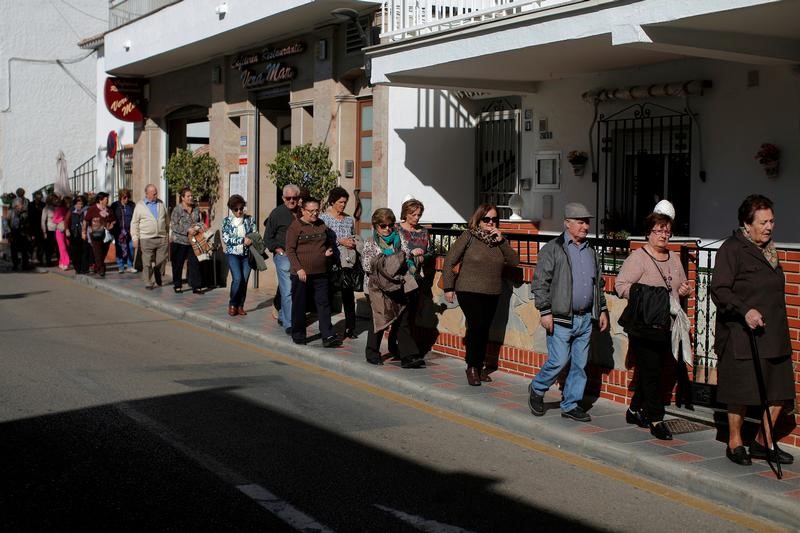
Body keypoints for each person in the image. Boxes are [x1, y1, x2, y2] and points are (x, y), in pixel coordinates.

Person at [711, 194, 795, 466]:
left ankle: (762, 441)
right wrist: (745, 309)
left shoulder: (770, 250)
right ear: (746, 224)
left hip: (774, 333)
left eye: (772, 221)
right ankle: (735, 442)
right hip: (741, 334)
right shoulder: (732, 249)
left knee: (781, 391)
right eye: (763, 222)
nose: (769, 227)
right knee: (740, 392)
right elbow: (720, 289)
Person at [615, 203, 692, 440]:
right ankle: (656, 419)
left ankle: (633, 410)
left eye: (667, 231)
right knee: (653, 372)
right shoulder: (638, 257)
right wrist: (646, 295)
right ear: (649, 232)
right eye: (659, 230)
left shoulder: (674, 258)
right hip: (644, 325)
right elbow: (621, 286)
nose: (663, 235)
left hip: (667, 326)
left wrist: (684, 289)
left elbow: (679, 286)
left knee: (651, 370)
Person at [527, 202, 609, 422]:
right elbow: (540, 283)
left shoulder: (590, 251)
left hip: (584, 318)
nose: (585, 227)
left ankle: (570, 404)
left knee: (580, 365)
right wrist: (545, 311)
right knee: (558, 361)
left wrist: (601, 309)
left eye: (587, 222)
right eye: (581, 222)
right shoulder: (553, 249)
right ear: (568, 224)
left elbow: (597, 284)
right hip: (560, 318)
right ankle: (537, 388)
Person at [442, 204, 519, 385]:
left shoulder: (499, 240)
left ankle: (478, 365)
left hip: (492, 291)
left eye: (494, 219)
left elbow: (515, 262)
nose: (490, 223)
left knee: (484, 330)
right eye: (487, 219)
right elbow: (449, 260)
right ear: (479, 219)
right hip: (468, 290)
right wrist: (448, 288)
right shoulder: (468, 236)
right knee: (476, 327)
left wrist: (502, 241)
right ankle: (472, 367)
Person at [361, 208, 424, 368]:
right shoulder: (370, 242)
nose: (387, 228)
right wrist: (388, 260)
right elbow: (367, 265)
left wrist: (409, 258)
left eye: (390, 225)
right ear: (376, 226)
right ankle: (372, 352)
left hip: (398, 285)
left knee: (403, 319)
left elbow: (406, 255)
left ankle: (408, 356)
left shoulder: (399, 237)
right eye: (383, 225)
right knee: (379, 321)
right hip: (377, 288)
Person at [285, 197, 341, 347]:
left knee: (323, 304)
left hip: (321, 272)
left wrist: (329, 250)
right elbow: (290, 251)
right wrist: (299, 269)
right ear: (303, 210)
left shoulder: (321, 225)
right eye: (311, 211)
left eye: (317, 210)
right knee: (300, 304)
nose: (315, 214)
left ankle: (328, 335)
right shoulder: (295, 227)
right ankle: (298, 335)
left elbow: (328, 242)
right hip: (301, 274)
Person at [392, 198, 435, 357]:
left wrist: (424, 256)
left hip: (418, 277)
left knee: (411, 313)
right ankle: (400, 346)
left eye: (419, 214)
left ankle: (403, 346)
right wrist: (410, 253)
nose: (416, 218)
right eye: (413, 214)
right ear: (405, 213)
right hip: (401, 276)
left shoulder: (423, 232)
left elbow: (431, 252)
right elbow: (393, 251)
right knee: (401, 313)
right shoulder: (397, 230)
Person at [320, 187, 359, 338]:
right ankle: (327, 328)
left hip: (347, 262)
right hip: (331, 261)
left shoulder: (349, 219)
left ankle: (351, 328)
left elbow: (353, 235)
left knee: (348, 294)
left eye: (345, 202)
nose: (343, 205)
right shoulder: (324, 218)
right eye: (340, 202)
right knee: (328, 295)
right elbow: (322, 239)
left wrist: (352, 242)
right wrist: (339, 241)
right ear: (332, 201)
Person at [265, 184, 301, 334]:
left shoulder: (303, 212)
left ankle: (282, 314)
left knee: (296, 289)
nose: (291, 200)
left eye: (295, 198)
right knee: (287, 290)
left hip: (300, 257)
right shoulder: (277, 213)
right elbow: (267, 238)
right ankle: (289, 324)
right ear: (283, 198)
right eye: (288, 198)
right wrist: (278, 250)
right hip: (284, 257)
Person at [222, 195, 256, 316]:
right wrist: (242, 240)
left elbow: (255, 234)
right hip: (233, 255)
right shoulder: (227, 221)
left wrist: (251, 239)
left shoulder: (250, 219)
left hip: (247, 255)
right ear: (231, 209)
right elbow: (226, 239)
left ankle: (240, 305)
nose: (239, 211)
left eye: (241, 208)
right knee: (237, 279)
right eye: (236, 209)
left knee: (244, 281)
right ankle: (232, 304)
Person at [131, 184, 169, 290]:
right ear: (147, 194)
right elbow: (134, 223)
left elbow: (166, 220)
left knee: (161, 260)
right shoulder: (140, 206)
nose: (156, 194)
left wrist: (168, 233)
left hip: (161, 237)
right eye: (154, 193)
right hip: (146, 238)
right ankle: (148, 281)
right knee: (147, 262)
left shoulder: (161, 204)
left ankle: (157, 274)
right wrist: (135, 237)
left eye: (156, 192)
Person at [170, 187, 205, 294]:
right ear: (182, 198)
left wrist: (197, 227)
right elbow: (173, 225)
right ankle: (177, 285)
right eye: (188, 196)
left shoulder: (196, 208)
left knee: (194, 263)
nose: (191, 198)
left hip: (193, 241)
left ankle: (196, 286)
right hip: (179, 241)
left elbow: (200, 221)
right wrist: (187, 230)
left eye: (191, 196)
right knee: (178, 264)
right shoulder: (177, 209)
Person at [83, 192, 116, 277]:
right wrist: (83, 232)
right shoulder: (92, 209)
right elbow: (86, 221)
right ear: (100, 200)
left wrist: (112, 224)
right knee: (97, 252)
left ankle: (97, 267)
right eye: (106, 199)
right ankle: (101, 269)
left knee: (104, 252)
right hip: (95, 233)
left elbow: (113, 220)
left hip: (106, 234)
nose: (107, 200)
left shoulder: (109, 209)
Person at [110, 188, 136, 274]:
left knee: (131, 247)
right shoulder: (115, 205)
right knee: (119, 248)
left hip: (129, 230)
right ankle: (120, 266)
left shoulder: (132, 205)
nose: (126, 199)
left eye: (128, 197)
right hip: (119, 231)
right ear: (120, 197)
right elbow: (111, 217)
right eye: (124, 197)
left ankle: (129, 265)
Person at [65, 195, 88, 274]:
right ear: (75, 204)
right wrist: (67, 229)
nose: (80, 206)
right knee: (75, 251)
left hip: (84, 234)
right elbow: (66, 220)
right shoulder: (72, 210)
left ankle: (83, 268)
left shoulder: (86, 210)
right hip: (74, 234)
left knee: (84, 251)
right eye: (78, 204)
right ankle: (77, 268)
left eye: (81, 204)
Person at [8, 196, 31, 271]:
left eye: (22, 204)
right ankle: (15, 265)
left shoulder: (25, 213)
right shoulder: (11, 212)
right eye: (20, 204)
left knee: (24, 250)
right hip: (13, 233)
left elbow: (28, 223)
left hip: (23, 233)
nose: (22, 206)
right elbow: (6, 223)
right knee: (14, 250)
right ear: (16, 205)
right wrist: (9, 233)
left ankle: (25, 265)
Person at [52, 196, 70, 270]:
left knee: (67, 246)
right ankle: (66, 262)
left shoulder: (69, 210)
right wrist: (62, 218)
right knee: (62, 247)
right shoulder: (59, 209)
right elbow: (54, 220)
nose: (69, 204)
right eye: (68, 202)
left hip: (67, 230)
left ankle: (61, 262)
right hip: (60, 231)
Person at [41, 194, 59, 267]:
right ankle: (48, 261)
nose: (55, 201)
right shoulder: (46, 209)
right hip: (50, 229)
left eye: (55, 199)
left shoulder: (57, 208)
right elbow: (43, 221)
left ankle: (59, 260)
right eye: (53, 199)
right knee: (49, 247)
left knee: (58, 246)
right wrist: (44, 231)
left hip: (58, 229)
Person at [28, 191, 45, 265]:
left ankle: (39, 258)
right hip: (32, 227)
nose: (39, 198)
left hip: (41, 227)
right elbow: (29, 217)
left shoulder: (43, 205)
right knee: (33, 244)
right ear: (35, 197)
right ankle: (31, 258)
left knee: (41, 244)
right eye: (38, 197)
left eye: (40, 197)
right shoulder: (30, 204)